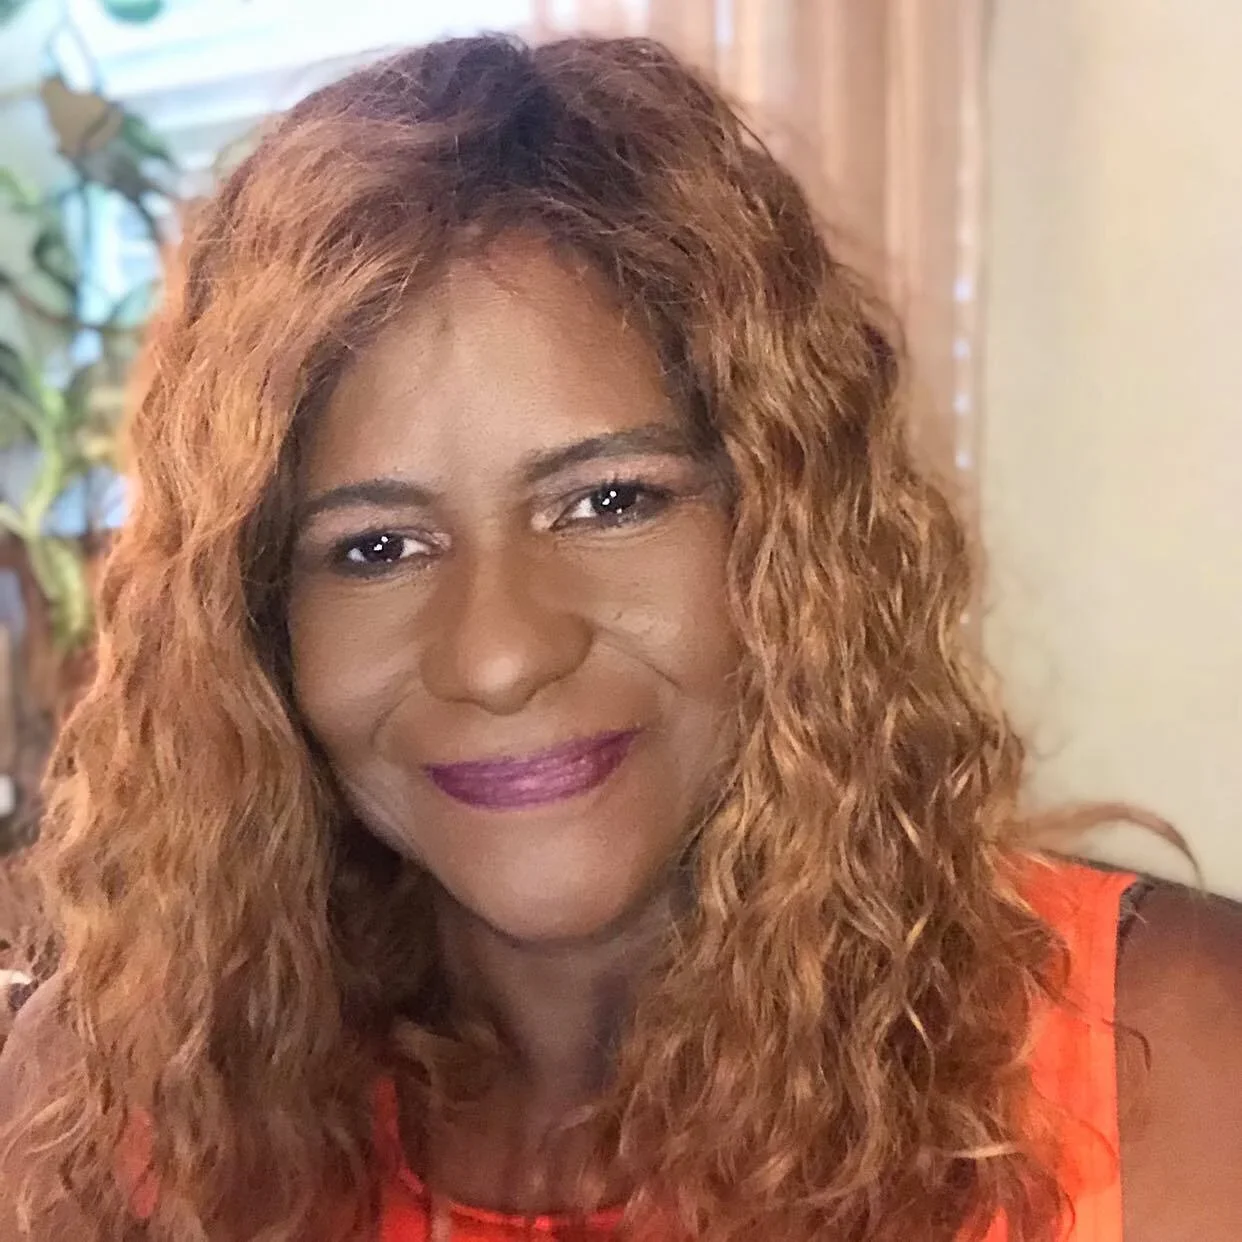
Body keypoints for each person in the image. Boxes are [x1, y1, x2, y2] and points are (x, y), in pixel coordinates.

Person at [0, 33, 1239, 1242]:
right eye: (376, 547)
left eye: (608, 501)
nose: (499, 657)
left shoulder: (1162, 1058)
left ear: (787, 529)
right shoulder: (132, 1112)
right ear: (258, 627)